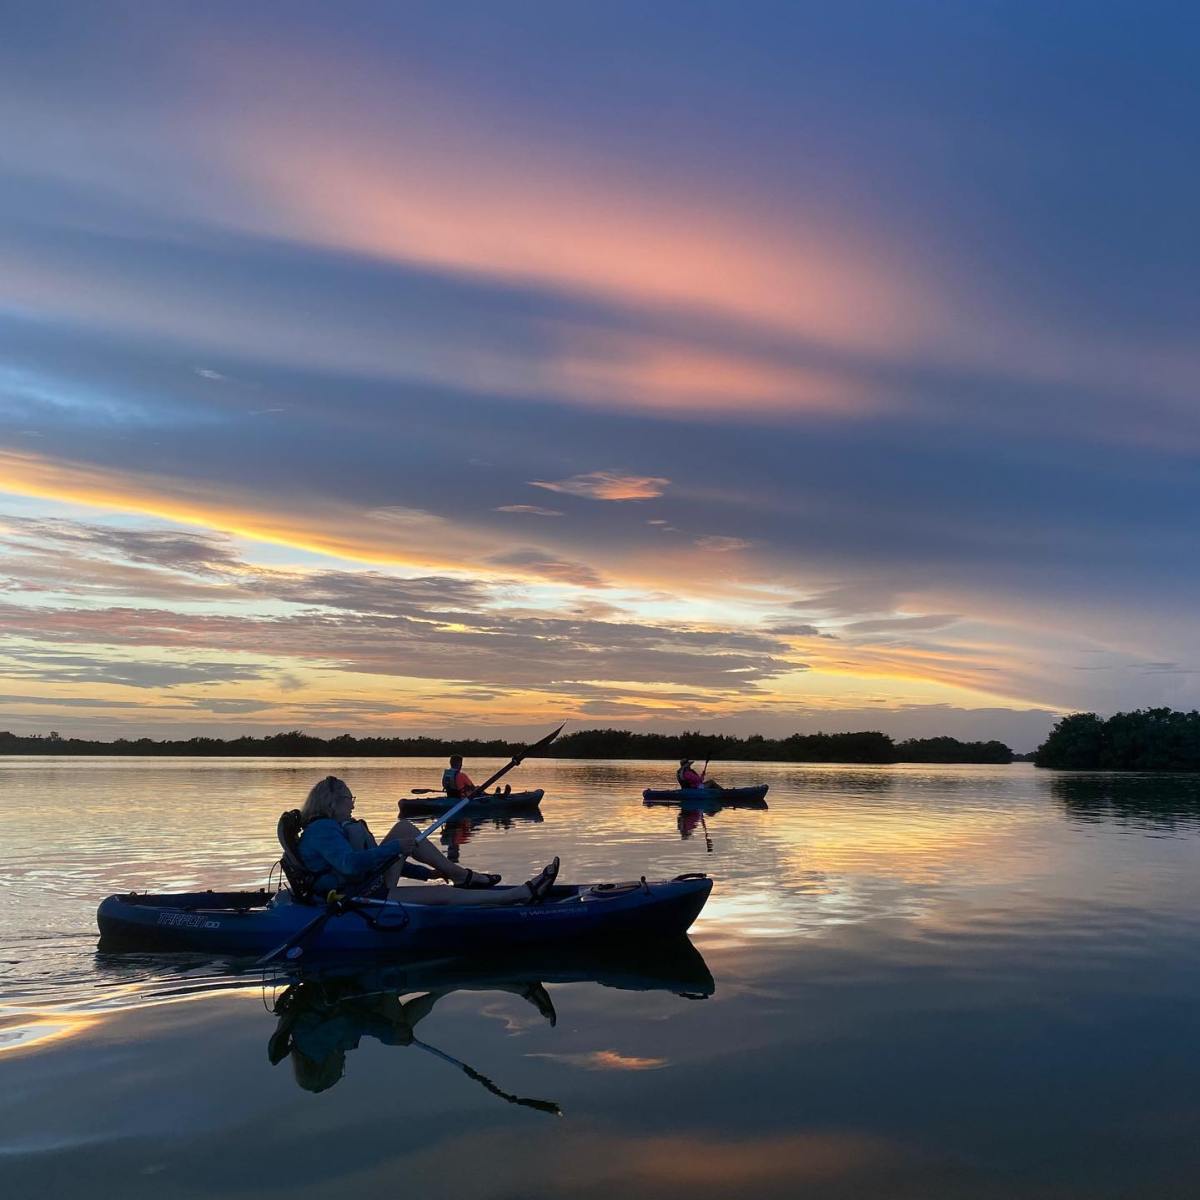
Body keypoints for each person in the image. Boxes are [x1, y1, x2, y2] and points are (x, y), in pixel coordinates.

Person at [297, 776, 559, 907]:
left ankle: (458, 875)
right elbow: (350, 865)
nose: (352, 805)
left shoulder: (330, 826)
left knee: (404, 828)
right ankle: (519, 894)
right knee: (442, 895)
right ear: (332, 802)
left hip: (364, 883)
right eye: (349, 799)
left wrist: (426, 873)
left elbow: (378, 857)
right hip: (359, 895)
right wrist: (397, 848)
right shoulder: (323, 830)